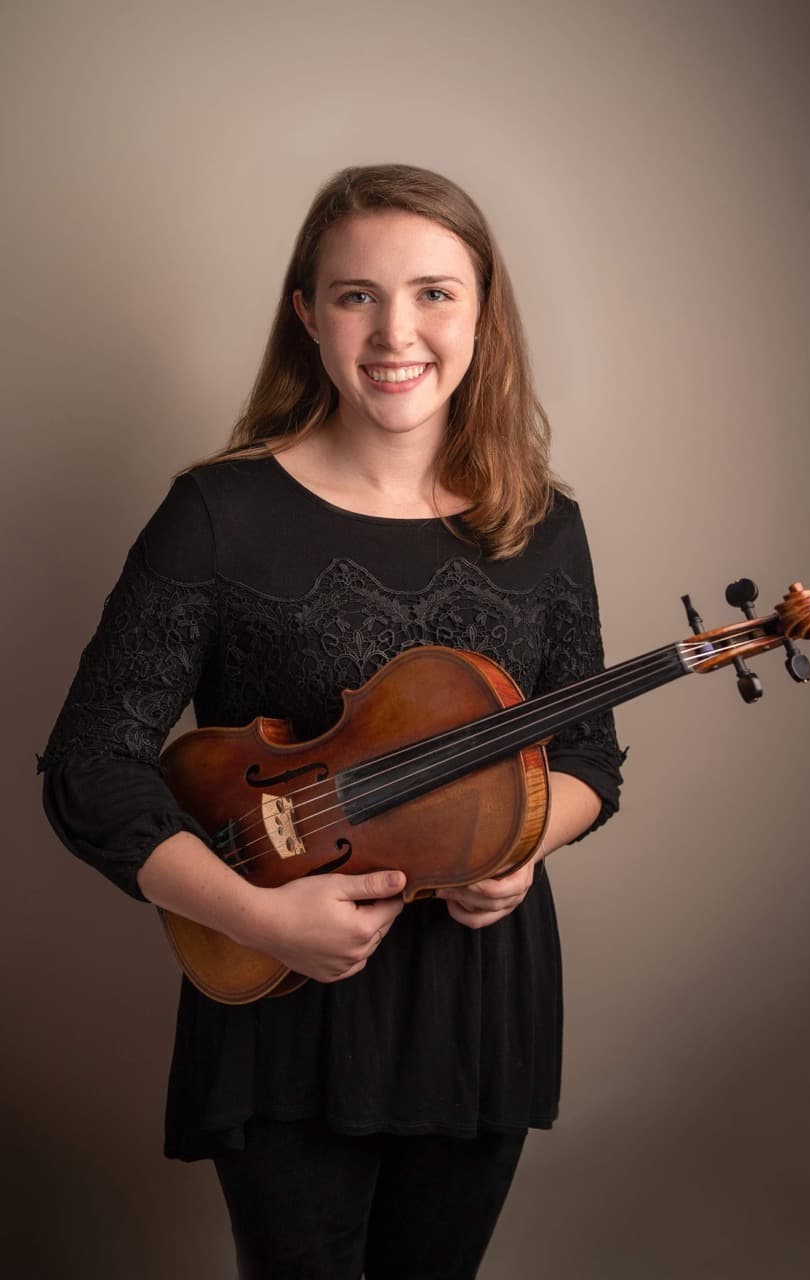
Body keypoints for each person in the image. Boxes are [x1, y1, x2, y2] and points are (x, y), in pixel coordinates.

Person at [40, 164, 624, 1279]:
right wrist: (257, 919)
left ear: (483, 310)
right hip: (280, 991)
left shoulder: (545, 525)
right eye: (356, 294)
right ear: (307, 313)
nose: (395, 329)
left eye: (433, 292)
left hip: (476, 996)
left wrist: (523, 846)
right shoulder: (218, 513)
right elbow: (90, 765)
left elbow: (587, 748)